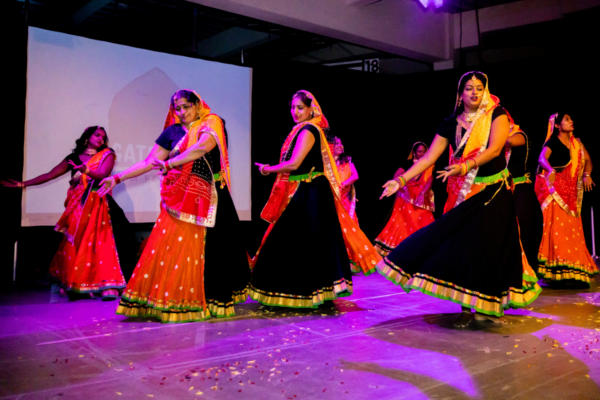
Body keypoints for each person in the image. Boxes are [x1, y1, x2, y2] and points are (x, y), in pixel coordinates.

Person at [378, 72, 540, 328]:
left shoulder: (496, 114)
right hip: (463, 193)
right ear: (460, 94)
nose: (474, 92)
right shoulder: (449, 123)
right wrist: (400, 181)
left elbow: (495, 149)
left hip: (494, 191)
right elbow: (429, 157)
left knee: (490, 248)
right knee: (462, 248)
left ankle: (488, 307)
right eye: (468, 88)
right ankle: (466, 306)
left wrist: (465, 167)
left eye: (479, 88)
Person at [98, 89, 250, 322]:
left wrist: (170, 163)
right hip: (182, 199)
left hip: (213, 198)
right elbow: (150, 162)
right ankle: (179, 299)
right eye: (177, 108)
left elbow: (202, 147)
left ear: (198, 104)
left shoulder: (212, 122)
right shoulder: (172, 132)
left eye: (186, 106)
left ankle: (212, 301)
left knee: (214, 250)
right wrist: (117, 179)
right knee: (178, 251)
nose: (182, 112)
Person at [251, 90, 381, 308]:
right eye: (292, 107)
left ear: (311, 109)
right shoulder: (300, 130)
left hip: (310, 190)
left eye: (300, 107)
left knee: (302, 240)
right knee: (300, 241)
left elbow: (294, 163)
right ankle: (297, 291)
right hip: (304, 188)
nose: (295, 111)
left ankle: (304, 292)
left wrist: (267, 169)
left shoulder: (310, 129)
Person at [1, 127, 127, 299]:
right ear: (86, 137)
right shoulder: (73, 159)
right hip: (78, 207)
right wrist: (23, 184)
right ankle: (76, 282)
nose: (101, 139)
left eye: (103, 137)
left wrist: (86, 171)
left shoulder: (107, 154)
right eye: (97, 135)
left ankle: (106, 284)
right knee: (76, 242)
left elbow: (102, 174)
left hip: (98, 204)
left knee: (99, 243)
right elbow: (50, 175)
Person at [534, 112, 597, 286]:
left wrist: (587, 174)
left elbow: (588, 160)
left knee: (572, 232)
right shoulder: (552, 142)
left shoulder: (577, 144)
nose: (571, 121)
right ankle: (554, 273)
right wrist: (551, 170)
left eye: (570, 119)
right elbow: (542, 159)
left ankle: (573, 272)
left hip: (571, 194)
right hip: (554, 192)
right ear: (557, 125)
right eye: (567, 119)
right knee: (556, 232)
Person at [374, 142, 435, 257]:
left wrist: (422, 193)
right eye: (419, 151)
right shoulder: (407, 163)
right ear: (414, 153)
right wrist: (405, 188)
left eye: (424, 151)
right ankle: (400, 249)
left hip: (421, 196)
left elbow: (430, 180)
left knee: (423, 222)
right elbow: (396, 177)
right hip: (406, 196)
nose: (422, 154)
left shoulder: (429, 165)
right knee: (404, 223)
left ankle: (421, 249)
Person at [505, 113, 543, 276]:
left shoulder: (518, 135)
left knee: (524, 231)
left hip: (521, 191)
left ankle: (526, 272)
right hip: (505, 190)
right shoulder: (492, 142)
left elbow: (508, 142)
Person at [333, 137, 359, 224]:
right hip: (330, 197)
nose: (341, 146)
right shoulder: (325, 163)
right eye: (337, 143)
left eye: (341, 143)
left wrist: (343, 184)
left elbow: (355, 176)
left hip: (344, 197)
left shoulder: (347, 160)